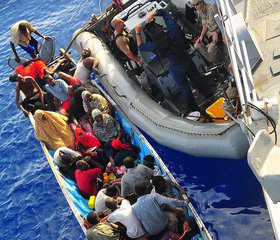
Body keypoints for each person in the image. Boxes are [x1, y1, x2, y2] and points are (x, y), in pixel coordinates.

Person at [135, 9, 213, 117]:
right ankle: (208, 93)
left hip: (176, 67)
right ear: (160, 29)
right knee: (197, 78)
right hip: (186, 59)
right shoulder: (173, 31)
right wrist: (152, 14)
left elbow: (141, 46)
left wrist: (138, 32)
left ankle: (194, 108)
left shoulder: (154, 45)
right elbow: (165, 13)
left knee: (184, 87)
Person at [111, 18, 151, 92]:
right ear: (117, 26)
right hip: (132, 59)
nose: (123, 22)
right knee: (141, 75)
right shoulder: (120, 39)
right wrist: (138, 60)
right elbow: (128, 53)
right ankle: (148, 90)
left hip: (135, 54)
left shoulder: (119, 31)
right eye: (120, 22)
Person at [192, 0, 222, 64]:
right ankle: (213, 59)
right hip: (209, 35)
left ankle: (217, 62)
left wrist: (216, 32)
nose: (195, 7)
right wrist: (201, 36)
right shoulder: (201, 11)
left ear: (202, 1)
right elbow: (204, 26)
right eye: (194, 5)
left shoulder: (212, 8)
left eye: (197, 4)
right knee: (196, 45)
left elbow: (222, 22)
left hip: (218, 33)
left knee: (210, 50)